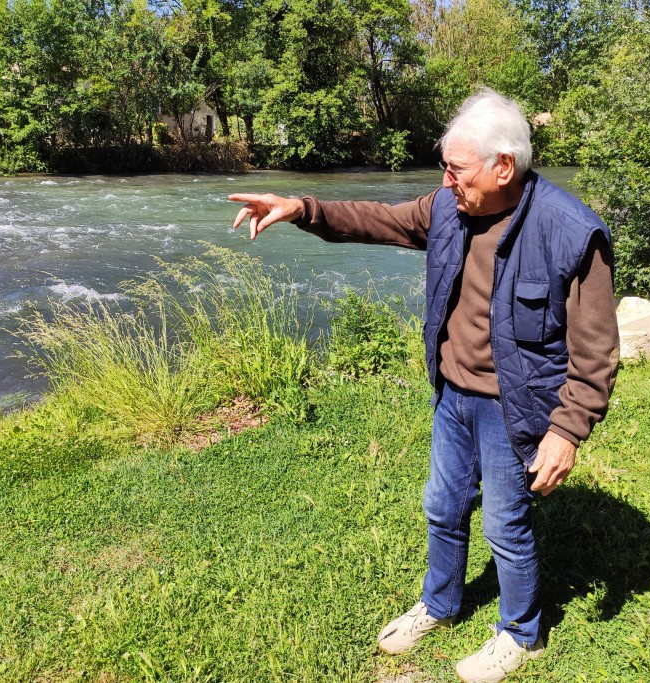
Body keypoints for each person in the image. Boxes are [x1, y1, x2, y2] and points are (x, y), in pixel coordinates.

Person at [229, 88, 620, 683]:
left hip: (516, 407)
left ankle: (521, 634)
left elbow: (596, 350)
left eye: (456, 169)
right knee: (442, 505)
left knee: (504, 525)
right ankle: (440, 604)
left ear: (503, 167)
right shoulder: (447, 208)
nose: (446, 181)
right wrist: (300, 208)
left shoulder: (570, 231)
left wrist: (567, 431)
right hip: (453, 396)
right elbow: (378, 219)